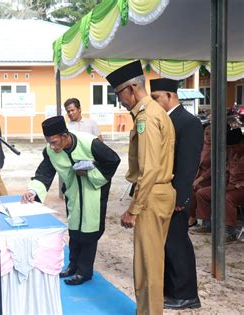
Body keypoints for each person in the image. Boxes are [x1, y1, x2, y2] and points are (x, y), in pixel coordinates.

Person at [106, 60, 176, 315]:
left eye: (120, 95)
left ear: (132, 89)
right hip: (160, 193)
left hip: (151, 195)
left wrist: (134, 209)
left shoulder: (146, 117)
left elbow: (148, 169)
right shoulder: (157, 112)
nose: (121, 101)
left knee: (148, 266)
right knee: (152, 261)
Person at [22, 116, 120, 285]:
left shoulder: (89, 143)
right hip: (73, 193)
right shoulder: (51, 150)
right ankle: (72, 266)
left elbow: (113, 160)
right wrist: (32, 191)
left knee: (89, 232)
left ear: (65, 135)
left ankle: (84, 272)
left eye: (54, 142)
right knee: (74, 230)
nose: (52, 146)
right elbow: (44, 172)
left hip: (93, 193)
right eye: (49, 142)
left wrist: (90, 173)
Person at [150, 78, 203, 310]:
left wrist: (181, 197)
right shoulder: (165, 120)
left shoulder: (188, 122)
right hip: (163, 195)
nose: (153, 103)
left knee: (177, 243)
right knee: (167, 244)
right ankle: (172, 290)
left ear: (170, 96)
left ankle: (187, 294)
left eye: (156, 98)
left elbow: (188, 163)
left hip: (176, 195)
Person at [192, 136, 244, 242]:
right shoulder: (232, 154)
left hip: (241, 188)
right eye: (231, 147)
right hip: (229, 185)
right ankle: (207, 225)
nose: (232, 149)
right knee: (202, 193)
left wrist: (239, 184)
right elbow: (226, 171)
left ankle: (230, 232)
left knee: (227, 198)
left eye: (234, 147)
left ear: (241, 144)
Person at [189, 124, 211, 227]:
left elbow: (213, 170)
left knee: (196, 191)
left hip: (210, 179)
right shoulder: (201, 146)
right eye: (206, 134)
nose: (209, 136)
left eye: (211, 134)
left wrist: (198, 180)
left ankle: (197, 219)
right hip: (198, 176)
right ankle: (191, 217)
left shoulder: (218, 148)